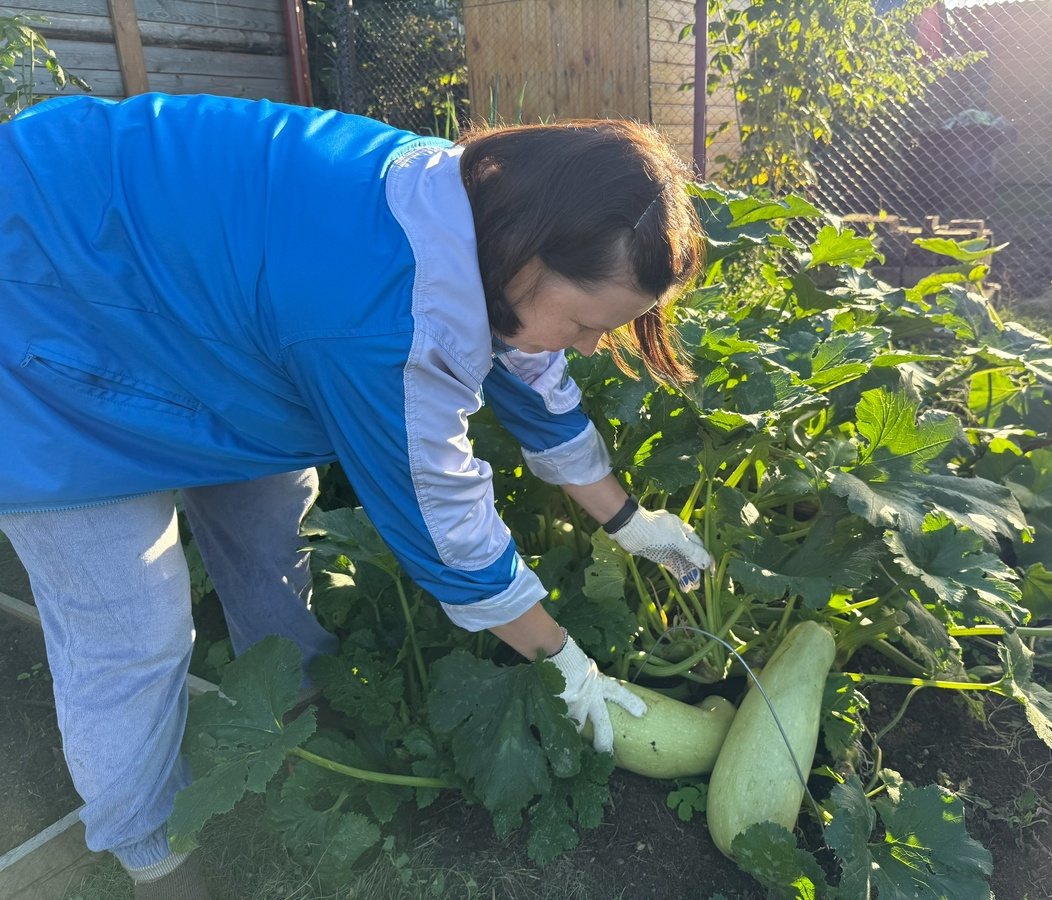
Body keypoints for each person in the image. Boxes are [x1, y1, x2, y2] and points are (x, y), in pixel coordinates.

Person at [0, 93, 714, 898]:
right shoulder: (391, 318)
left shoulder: (477, 211)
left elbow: (533, 381)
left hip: (192, 288)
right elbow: (448, 532)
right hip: (40, 288)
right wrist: (569, 667)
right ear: (531, 254)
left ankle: (296, 704)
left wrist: (628, 520)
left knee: (269, 523)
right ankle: (153, 857)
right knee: (132, 631)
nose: (590, 347)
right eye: (588, 323)